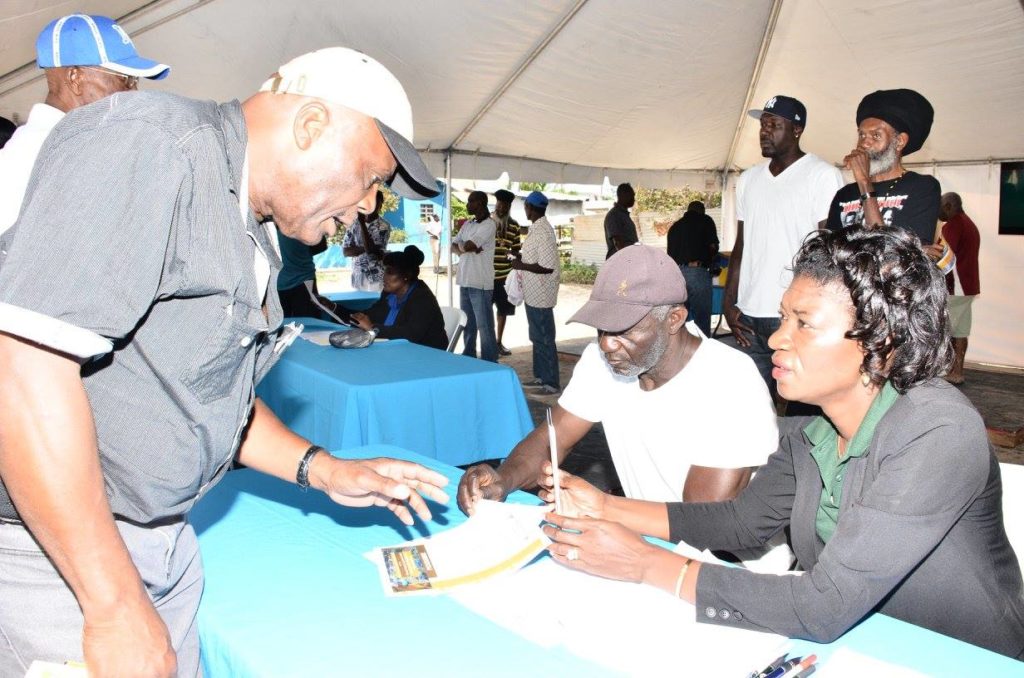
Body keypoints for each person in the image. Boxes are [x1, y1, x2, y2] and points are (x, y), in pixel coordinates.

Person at [0, 47, 450, 677]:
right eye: (371, 177)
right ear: (311, 124)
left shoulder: (249, 219)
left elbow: (207, 400)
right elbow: (23, 369)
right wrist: (112, 602)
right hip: (63, 557)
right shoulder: (150, 145)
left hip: (159, 541)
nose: (367, 207)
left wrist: (322, 470)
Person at [543, 226, 1024, 660]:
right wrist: (607, 508)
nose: (777, 340)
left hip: (961, 658)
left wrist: (646, 563)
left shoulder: (937, 432)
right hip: (861, 645)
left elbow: (823, 603)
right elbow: (741, 523)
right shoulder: (815, 427)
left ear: (883, 339)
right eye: (782, 319)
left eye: (804, 323)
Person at [458, 244, 777, 512]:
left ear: (674, 319)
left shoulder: (729, 381)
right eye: (601, 328)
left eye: (624, 329)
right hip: (643, 541)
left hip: (730, 567)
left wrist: (602, 509)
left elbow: (704, 518)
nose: (606, 343)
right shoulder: (602, 363)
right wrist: (504, 479)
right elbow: (549, 441)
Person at [0, 13, 169, 237]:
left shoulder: (76, 148)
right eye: (125, 79)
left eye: (135, 81)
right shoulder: (31, 158)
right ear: (75, 78)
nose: (134, 92)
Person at [723, 95, 843, 397]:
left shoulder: (823, 175)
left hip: (795, 314)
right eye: (763, 125)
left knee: (801, 404)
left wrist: (817, 312)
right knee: (750, 405)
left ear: (797, 130)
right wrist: (729, 300)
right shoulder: (749, 180)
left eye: (774, 125)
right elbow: (742, 245)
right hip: (749, 314)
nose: (765, 131)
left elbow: (828, 251)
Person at [826, 89, 940, 244]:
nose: (864, 143)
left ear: (899, 141)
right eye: (861, 135)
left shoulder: (922, 187)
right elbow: (828, 253)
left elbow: (898, 257)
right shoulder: (844, 194)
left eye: (876, 135)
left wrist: (865, 184)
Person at [344, 245, 448, 349]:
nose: (384, 277)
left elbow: (411, 334)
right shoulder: (390, 294)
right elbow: (370, 314)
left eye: (390, 272)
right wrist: (336, 309)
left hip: (426, 354)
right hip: (396, 350)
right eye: (385, 271)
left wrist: (372, 328)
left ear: (406, 275)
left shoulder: (422, 298)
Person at [511, 191, 561, 395]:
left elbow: (547, 266)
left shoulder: (544, 231)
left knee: (544, 338)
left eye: (525, 207)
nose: (525, 210)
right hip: (533, 293)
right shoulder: (537, 229)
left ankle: (551, 383)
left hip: (541, 294)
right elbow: (537, 257)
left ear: (530, 208)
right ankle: (541, 377)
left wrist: (520, 263)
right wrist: (520, 256)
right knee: (537, 337)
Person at [931, 192, 981, 385]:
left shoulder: (954, 225)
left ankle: (943, 369)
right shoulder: (968, 223)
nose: (938, 213)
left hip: (955, 286)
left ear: (949, 206)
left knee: (943, 330)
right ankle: (957, 371)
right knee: (960, 331)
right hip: (966, 286)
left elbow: (941, 255)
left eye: (940, 208)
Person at [452, 190, 498, 362]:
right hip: (464, 279)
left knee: (484, 325)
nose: (467, 205)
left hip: (480, 282)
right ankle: (469, 356)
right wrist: (466, 248)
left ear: (480, 203)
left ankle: (490, 361)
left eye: (471, 201)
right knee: (468, 324)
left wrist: (465, 247)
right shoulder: (469, 224)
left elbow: (468, 245)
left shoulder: (489, 224)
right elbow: (454, 244)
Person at [666, 200, 719, 337]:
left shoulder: (675, 227)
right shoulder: (706, 220)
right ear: (702, 211)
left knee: (680, 318)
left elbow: (670, 255)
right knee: (702, 320)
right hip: (698, 273)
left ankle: (681, 351)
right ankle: (703, 351)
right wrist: (712, 262)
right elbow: (713, 247)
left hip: (677, 275)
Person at [276, 231, 346, 321]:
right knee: (277, 326)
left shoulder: (306, 218)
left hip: (302, 280)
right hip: (276, 283)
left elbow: (321, 246)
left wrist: (299, 255)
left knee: (310, 326)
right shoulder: (264, 220)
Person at [491, 189, 522, 356]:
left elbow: (516, 251)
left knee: (503, 311)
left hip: (505, 277)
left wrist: (509, 255)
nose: (501, 208)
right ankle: (487, 343)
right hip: (486, 277)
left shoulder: (514, 225)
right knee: (485, 312)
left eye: (505, 205)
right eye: (499, 204)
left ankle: (498, 342)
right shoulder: (487, 222)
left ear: (509, 206)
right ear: (495, 204)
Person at [342, 190, 391, 291]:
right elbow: (346, 252)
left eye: (377, 203)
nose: (373, 206)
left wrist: (362, 223)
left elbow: (373, 253)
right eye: (370, 202)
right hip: (358, 276)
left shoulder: (384, 226)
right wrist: (369, 248)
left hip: (376, 277)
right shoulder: (353, 224)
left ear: (380, 205)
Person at [603, 182, 638, 258]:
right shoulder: (614, 215)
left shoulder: (624, 215)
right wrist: (627, 260)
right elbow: (618, 242)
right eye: (632, 196)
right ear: (623, 195)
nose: (633, 199)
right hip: (619, 262)